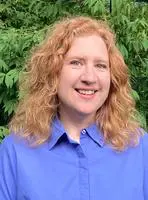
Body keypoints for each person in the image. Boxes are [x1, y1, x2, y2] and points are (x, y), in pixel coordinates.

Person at [0, 16, 148, 200]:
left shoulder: (140, 149)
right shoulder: (15, 152)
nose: (89, 77)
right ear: (53, 72)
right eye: (76, 62)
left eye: (101, 65)